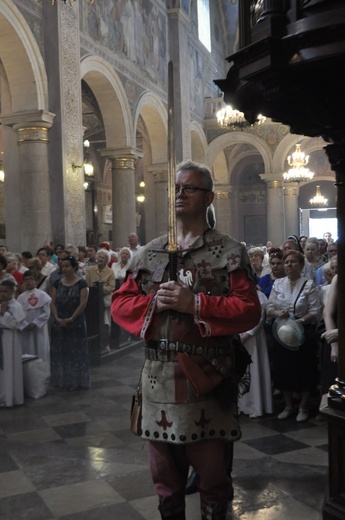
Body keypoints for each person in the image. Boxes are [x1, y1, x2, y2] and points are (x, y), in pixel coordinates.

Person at [111, 160, 261, 520]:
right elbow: (120, 305)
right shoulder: (149, 253)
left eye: (189, 187)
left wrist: (194, 303)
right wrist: (155, 302)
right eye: (176, 187)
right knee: (165, 481)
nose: (179, 193)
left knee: (212, 479)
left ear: (208, 197)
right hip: (157, 380)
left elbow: (248, 310)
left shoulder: (228, 251)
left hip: (206, 378)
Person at [266, 250, 321, 422]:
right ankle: (288, 405)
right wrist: (277, 312)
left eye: (293, 262)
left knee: (304, 370)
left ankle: (303, 406)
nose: (289, 265)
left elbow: (315, 310)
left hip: (303, 333)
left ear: (301, 265)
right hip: (281, 332)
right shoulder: (278, 284)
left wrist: (301, 321)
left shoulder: (308, 284)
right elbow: (268, 307)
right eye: (286, 262)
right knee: (283, 369)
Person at [50, 255, 90, 390]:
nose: (65, 269)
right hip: (59, 322)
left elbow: (82, 304)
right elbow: (53, 302)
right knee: (61, 351)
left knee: (75, 352)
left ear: (74, 267)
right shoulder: (57, 283)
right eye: (63, 266)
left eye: (67, 266)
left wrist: (72, 318)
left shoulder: (81, 283)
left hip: (75, 322)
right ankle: (61, 381)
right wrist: (56, 317)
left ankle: (77, 381)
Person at [238, 290, 273, 418]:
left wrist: (247, 335)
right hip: (236, 335)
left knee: (254, 369)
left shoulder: (258, 295)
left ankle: (255, 406)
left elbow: (260, 317)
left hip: (253, 338)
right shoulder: (232, 293)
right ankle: (240, 405)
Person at [0, 279, 26, 407]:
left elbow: (15, 324)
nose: (2, 294)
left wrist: (4, 313)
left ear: (12, 292)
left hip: (10, 339)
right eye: (0, 291)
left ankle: (11, 398)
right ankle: (2, 396)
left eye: (5, 291)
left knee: (10, 366)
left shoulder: (16, 306)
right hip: (1, 339)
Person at [17, 270, 52, 363]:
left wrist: (35, 323)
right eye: (26, 280)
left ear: (36, 281)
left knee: (41, 348)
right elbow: (18, 314)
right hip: (26, 329)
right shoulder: (20, 297)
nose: (28, 281)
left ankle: (43, 373)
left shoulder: (43, 295)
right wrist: (25, 324)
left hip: (39, 328)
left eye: (31, 279)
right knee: (28, 349)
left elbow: (46, 313)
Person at [85, 249, 116, 335]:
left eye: (103, 257)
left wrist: (100, 289)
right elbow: (87, 284)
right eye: (99, 257)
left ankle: (106, 341)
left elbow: (111, 287)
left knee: (106, 322)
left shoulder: (110, 271)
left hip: (105, 300)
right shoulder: (90, 270)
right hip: (92, 299)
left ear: (106, 260)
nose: (100, 259)